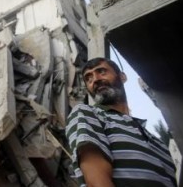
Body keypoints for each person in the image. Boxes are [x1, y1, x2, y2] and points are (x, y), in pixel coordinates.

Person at [65, 57, 177, 187]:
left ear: (122, 77)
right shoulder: (88, 114)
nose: (95, 80)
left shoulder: (159, 143)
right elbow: (97, 183)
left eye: (101, 71)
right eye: (88, 78)